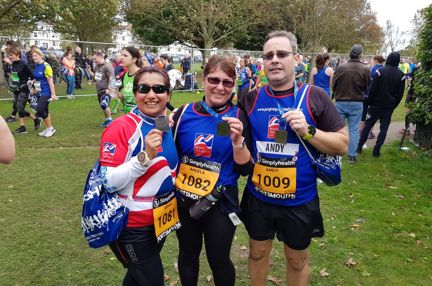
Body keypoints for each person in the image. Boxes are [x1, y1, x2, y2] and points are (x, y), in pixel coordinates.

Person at [239, 30, 348, 286]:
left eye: (281, 54)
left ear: (296, 58)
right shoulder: (251, 98)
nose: (274, 60)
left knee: (296, 260)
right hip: (259, 198)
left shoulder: (314, 96)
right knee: (257, 253)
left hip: (299, 200)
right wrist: (184, 115)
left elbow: (343, 145)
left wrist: (308, 131)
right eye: (269, 55)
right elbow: (227, 128)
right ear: (263, 62)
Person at [172, 55, 251, 286]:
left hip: (221, 199)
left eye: (227, 82)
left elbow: (245, 168)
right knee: (188, 254)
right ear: (202, 79)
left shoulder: (238, 116)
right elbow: (168, 151)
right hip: (186, 198)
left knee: (219, 259)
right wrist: (162, 125)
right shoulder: (182, 113)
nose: (219, 87)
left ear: (233, 85)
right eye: (214, 79)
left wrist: (238, 141)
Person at [101, 67, 179, 286]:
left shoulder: (163, 122)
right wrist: (143, 158)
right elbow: (107, 180)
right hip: (131, 227)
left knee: (136, 280)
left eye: (159, 89)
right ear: (135, 93)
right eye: (144, 88)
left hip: (161, 220)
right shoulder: (121, 127)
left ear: (168, 95)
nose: (152, 95)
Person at [356, 52, 406, 157]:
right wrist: (394, 105)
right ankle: (376, 150)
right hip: (388, 106)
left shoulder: (380, 71)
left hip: (376, 105)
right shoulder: (400, 75)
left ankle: (359, 147)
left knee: (368, 125)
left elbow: (373, 89)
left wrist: (369, 102)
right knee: (384, 128)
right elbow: (400, 95)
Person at [332, 44, 370, 163]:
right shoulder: (365, 69)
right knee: (353, 130)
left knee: (337, 128)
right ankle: (352, 156)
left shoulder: (341, 67)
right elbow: (367, 85)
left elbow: (334, 84)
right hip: (356, 102)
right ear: (360, 55)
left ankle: (334, 152)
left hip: (342, 101)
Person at [6, 45, 40, 134]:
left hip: (24, 89)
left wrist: (33, 88)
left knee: (20, 108)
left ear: (17, 55)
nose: (10, 57)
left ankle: (23, 127)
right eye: (9, 55)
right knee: (19, 108)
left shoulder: (24, 65)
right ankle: (35, 120)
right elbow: (15, 77)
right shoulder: (13, 64)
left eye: (11, 55)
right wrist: (12, 86)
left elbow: (33, 77)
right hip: (16, 89)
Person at [31, 48, 58, 137]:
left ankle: (51, 128)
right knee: (45, 110)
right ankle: (47, 128)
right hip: (39, 91)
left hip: (46, 92)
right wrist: (33, 86)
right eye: (33, 56)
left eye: (36, 56)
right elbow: (38, 78)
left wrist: (53, 94)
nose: (34, 57)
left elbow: (50, 81)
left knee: (40, 109)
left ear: (41, 56)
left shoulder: (46, 66)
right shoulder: (36, 65)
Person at [117, 46, 142, 113]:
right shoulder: (124, 75)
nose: (121, 58)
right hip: (128, 116)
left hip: (142, 117)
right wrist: (122, 98)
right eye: (121, 55)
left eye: (125, 55)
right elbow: (126, 103)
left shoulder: (142, 75)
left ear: (134, 59)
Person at [93, 51, 114, 127]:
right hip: (99, 90)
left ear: (100, 57)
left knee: (104, 104)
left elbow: (111, 77)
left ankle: (110, 120)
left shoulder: (107, 66)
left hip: (106, 90)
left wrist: (110, 88)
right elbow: (96, 77)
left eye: (95, 59)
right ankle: (107, 120)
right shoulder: (97, 66)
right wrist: (89, 70)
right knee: (103, 106)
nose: (94, 60)